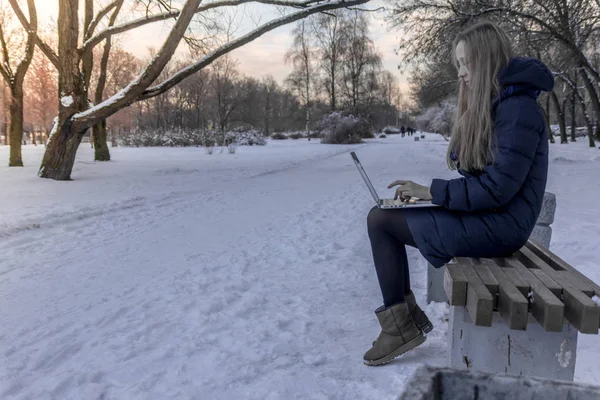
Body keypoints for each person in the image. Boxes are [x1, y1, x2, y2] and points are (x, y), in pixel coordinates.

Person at [363, 20, 554, 366]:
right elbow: (482, 176)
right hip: (491, 218)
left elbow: (497, 189)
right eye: (458, 65)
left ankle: (400, 325)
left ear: (487, 59)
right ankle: (404, 318)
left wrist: (431, 191)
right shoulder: (503, 103)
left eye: (467, 63)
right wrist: (428, 193)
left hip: (501, 226)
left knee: (381, 222)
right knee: (384, 218)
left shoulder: (518, 109)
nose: (462, 73)